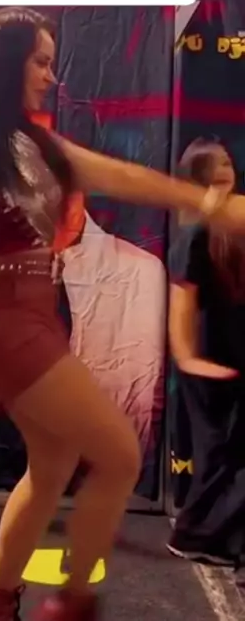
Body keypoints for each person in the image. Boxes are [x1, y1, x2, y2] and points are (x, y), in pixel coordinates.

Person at [0, 8, 245, 621]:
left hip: (32, 314)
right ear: (9, 63)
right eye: (39, 61)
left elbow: (123, 176)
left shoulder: (35, 143)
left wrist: (209, 203)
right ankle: (73, 603)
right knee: (119, 455)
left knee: (54, 462)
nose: (50, 75)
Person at [167, 137, 245, 564]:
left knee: (227, 455)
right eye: (214, 165)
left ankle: (205, 536)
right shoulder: (195, 232)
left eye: (228, 162)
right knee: (218, 454)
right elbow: (182, 302)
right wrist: (189, 359)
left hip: (233, 353)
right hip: (209, 359)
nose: (224, 170)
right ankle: (194, 535)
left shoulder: (233, 223)